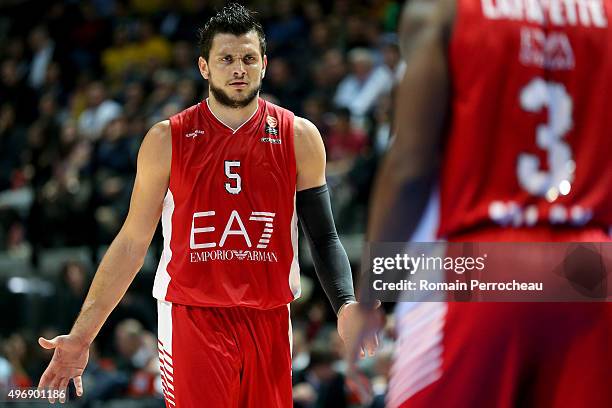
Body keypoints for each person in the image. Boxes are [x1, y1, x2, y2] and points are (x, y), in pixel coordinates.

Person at [37, 4, 377, 407]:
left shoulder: (299, 136)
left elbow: (323, 235)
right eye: (227, 59)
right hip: (192, 318)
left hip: (268, 318)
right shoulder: (167, 139)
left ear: (264, 65)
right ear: (204, 67)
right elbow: (132, 241)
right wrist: (82, 335)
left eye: (249, 58)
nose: (239, 69)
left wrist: (345, 304)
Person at [363, 0, 612, 407]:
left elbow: (410, 169)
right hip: (594, 270)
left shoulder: (440, 12)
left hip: (480, 266)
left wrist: (371, 296)